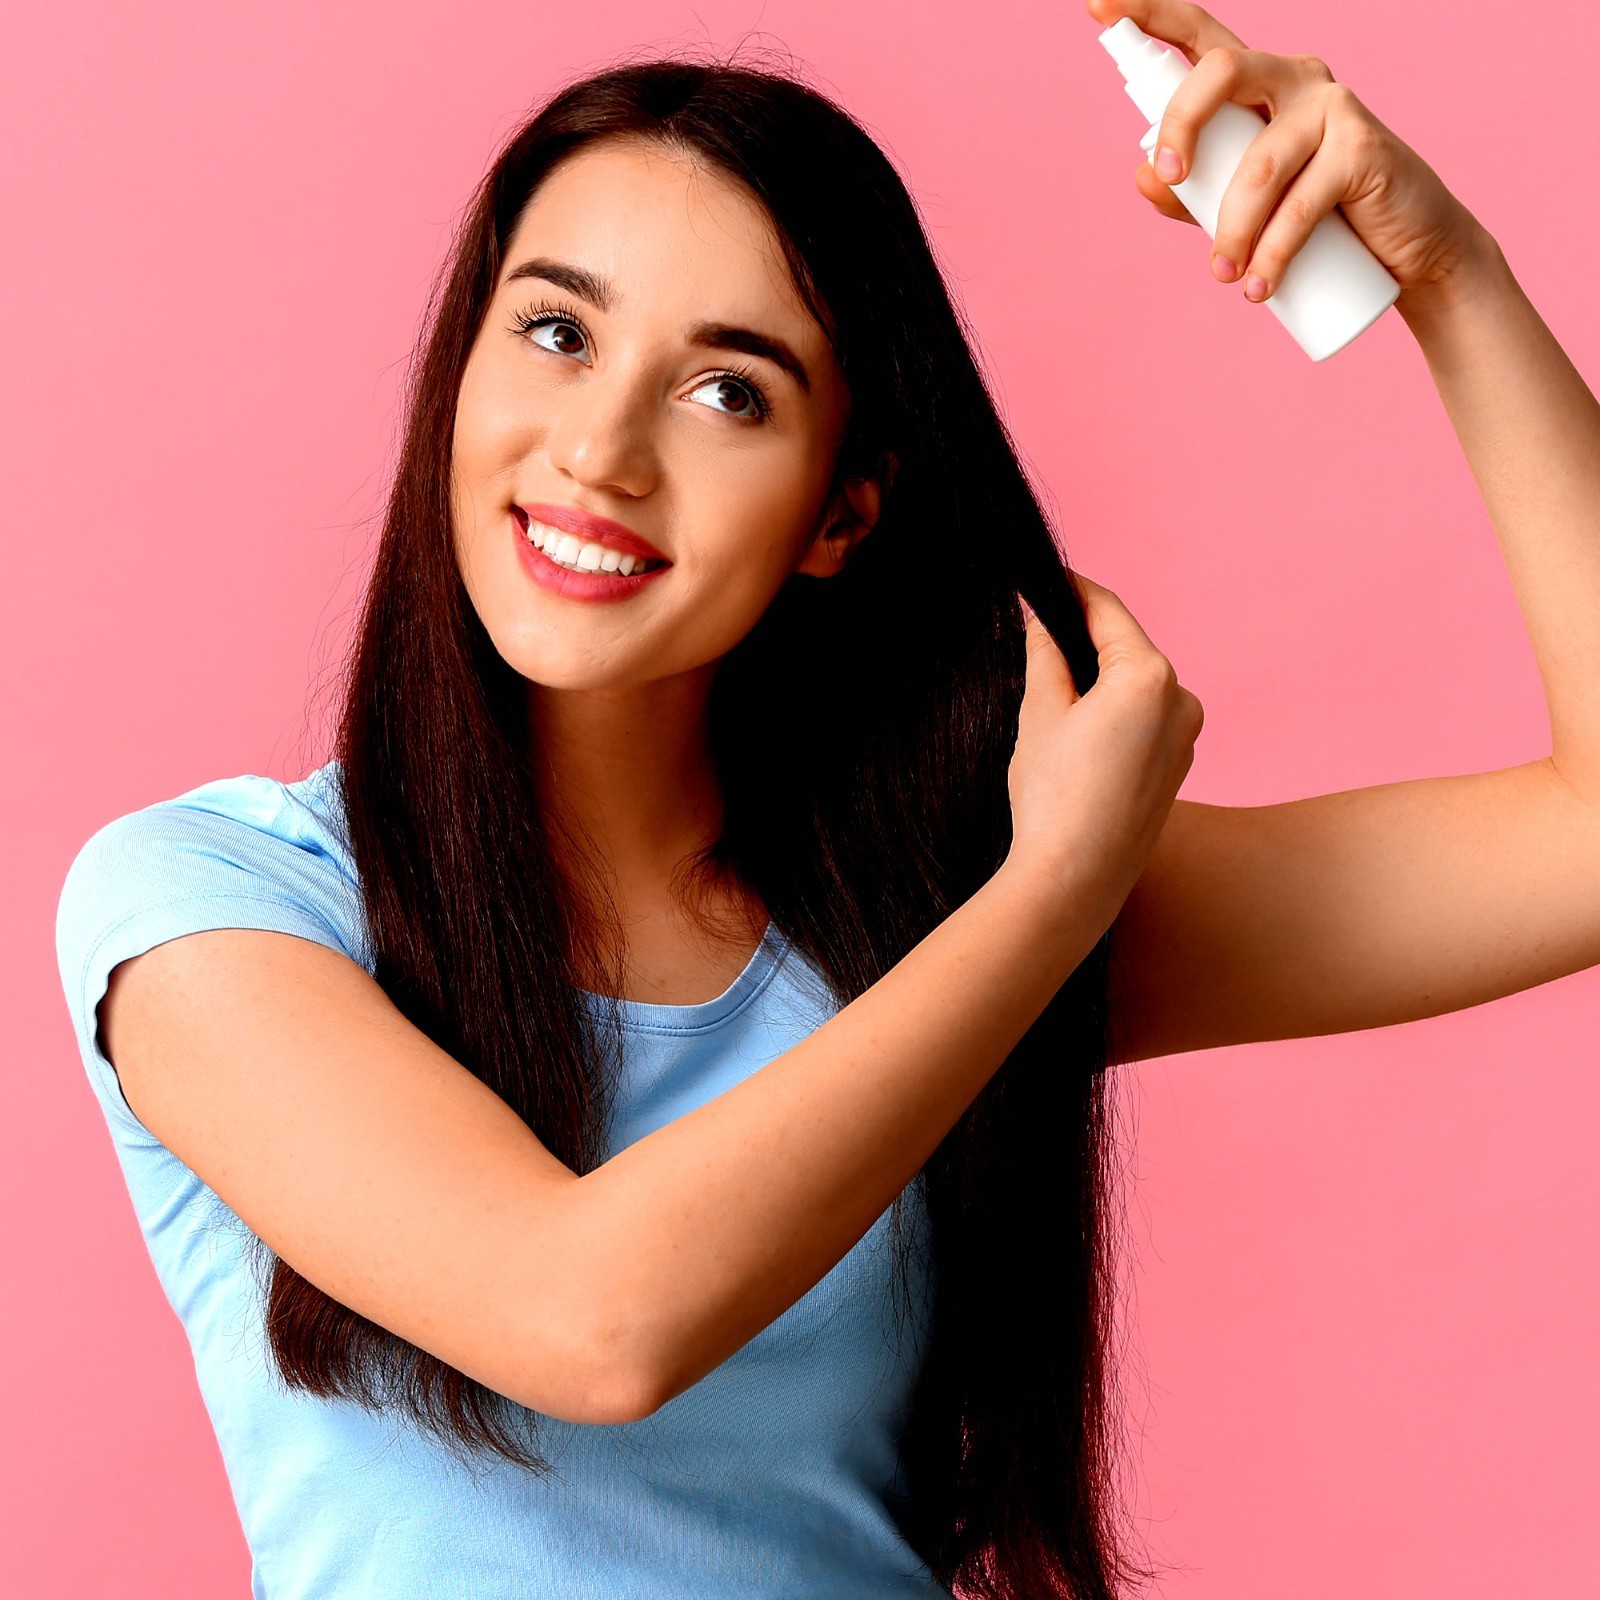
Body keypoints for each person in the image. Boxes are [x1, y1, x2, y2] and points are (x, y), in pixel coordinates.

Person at [53, 2, 1600, 1595]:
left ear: (839, 515)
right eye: (558, 333)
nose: (601, 451)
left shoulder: (934, 908)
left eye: (729, 393)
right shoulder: (215, 906)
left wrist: (1452, 277)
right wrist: (1048, 900)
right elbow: (590, 1323)